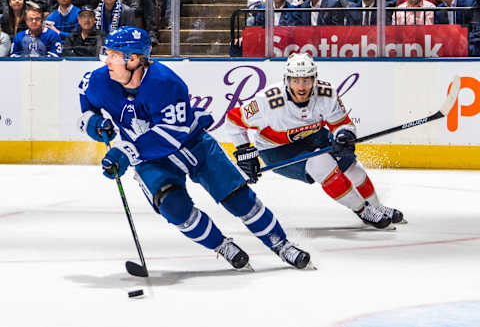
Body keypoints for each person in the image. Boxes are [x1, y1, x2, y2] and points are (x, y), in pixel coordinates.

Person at [77, 26, 312, 270]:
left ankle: (281, 244)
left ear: (134, 59)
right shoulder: (99, 80)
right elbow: (85, 97)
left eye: (115, 55)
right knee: (173, 208)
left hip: (193, 144)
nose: (108, 61)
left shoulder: (165, 83)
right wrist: (91, 121)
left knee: (237, 198)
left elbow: (171, 135)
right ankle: (222, 246)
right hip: (150, 160)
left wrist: (127, 151)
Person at [226, 53, 406, 230]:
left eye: (306, 80)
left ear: (315, 79)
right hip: (277, 149)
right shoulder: (267, 101)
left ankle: (377, 206)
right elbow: (233, 120)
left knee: (352, 169)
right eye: (295, 80)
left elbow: (341, 123)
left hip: (314, 136)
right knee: (322, 164)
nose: (301, 86)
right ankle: (363, 210)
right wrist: (244, 152)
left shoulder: (326, 93)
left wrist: (344, 135)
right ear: (286, 80)